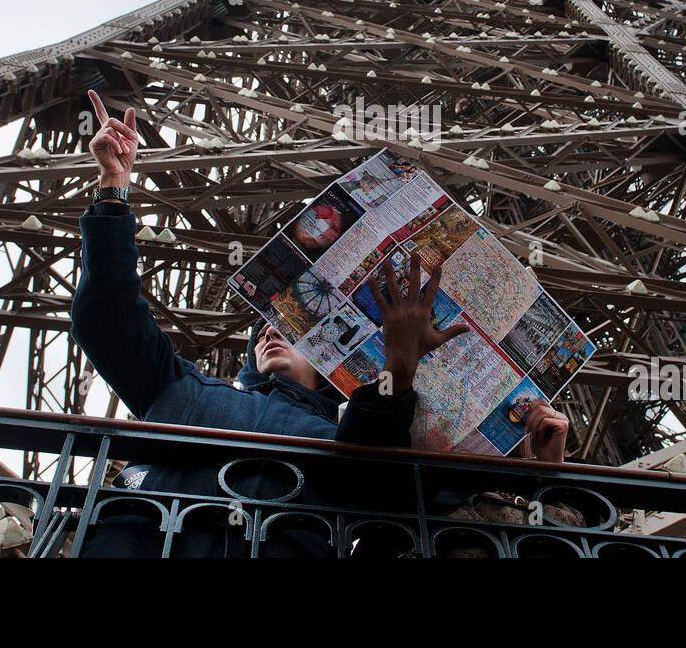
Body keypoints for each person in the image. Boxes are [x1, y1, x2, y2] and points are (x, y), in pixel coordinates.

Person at [71, 89, 570, 557]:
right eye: (266, 329)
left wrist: (536, 477)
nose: (269, 332)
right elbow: (107, 319)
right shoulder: (185, 388)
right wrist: (113, 189)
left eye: (288, 331)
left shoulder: (351, 436)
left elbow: (412, 492)